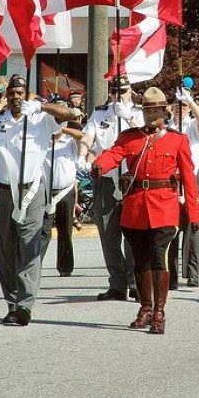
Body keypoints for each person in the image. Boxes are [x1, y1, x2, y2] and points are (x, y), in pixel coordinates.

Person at [93, 87, 199, 334]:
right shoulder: (129, 137)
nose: (151, 114)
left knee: (157, 257)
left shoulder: (178, 140)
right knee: (140, 260)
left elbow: (188, 177)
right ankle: (145, 308)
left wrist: (194, 214)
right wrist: (99, 165)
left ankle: (159, 312)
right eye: (147, 110)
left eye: (156, 110)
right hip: (135, 208)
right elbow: (114, 154)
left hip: (164, 207)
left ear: (165, 112)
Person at [0, 75, 73, 326]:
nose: (16, 97)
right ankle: (11, 301)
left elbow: (68, 114)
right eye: (12, 93)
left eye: (21, 93)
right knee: (2, 249)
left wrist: (41, 106)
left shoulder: (41, 119)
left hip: (33, 191)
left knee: (29, 245)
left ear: (27, 95)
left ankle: (24, 306)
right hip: (3, 191)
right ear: (7, 96)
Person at [77, 75, 143, 301]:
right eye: (115, 91)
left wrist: (130, 119)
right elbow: (88, 136)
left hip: (132, 179)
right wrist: (82, 154)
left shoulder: (140, 112)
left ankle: (136, 281)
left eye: (123, 91)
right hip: (106, 179)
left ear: (130, 90)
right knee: (108, 233)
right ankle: (117, 283)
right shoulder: (100, 113)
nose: (119, 96)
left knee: (133, 234)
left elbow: (147, 139)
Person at [166, 88, 199, 288]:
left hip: (192, 179)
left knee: (193, 228)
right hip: (172, 179)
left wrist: (190, 101)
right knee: (171, 229)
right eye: (177, 105)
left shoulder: (192, 125)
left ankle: (193, 274)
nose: (180, 109)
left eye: (183, 106)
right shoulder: (166, 127)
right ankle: (171, 276)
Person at [40, 119, 82, 277]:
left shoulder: (69, 141)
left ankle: (65, 267)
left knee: (65, 230)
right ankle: (35, 265)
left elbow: (81, 136)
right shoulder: (42, 141)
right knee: (44, 230)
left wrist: (62, 131)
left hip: (65, 190)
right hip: (46, 191)